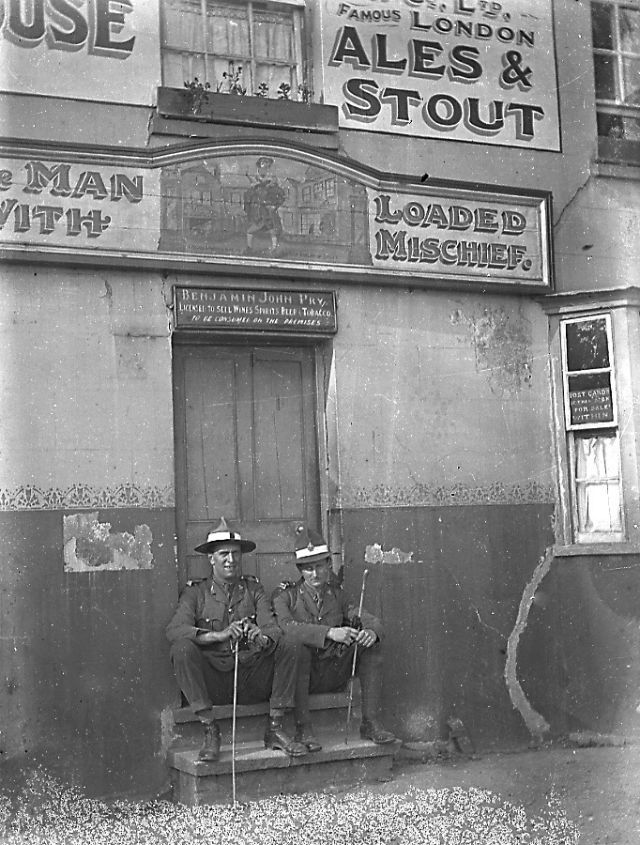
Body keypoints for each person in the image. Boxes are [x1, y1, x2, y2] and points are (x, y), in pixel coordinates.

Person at [166, 518, 307, 761]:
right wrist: (216, 635)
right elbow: (175, 630)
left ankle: (275, 727)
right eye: (224, 554)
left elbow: (273, 629)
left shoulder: (254, 590)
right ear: (211, 558)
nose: (231, 560)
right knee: (181, 649)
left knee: (291, 645)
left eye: (235, 554)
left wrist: (260, 637)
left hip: (251, 676)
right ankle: (210, 730)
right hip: (216, 681)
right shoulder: (196, 592)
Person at [272, 526, 396, 752]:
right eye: (308, 569)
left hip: (333, 670)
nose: (315, 574)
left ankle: (370, 722)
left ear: (329, 565)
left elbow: (368, 617)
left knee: (371, 649)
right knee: (297, 650)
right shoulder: (286, 597)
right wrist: (329, 632)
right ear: (300, 570)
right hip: (302, 676)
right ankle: (303, 728)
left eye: (319, 566)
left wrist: (372, 632)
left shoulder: (337, 595)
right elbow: (286, 628)